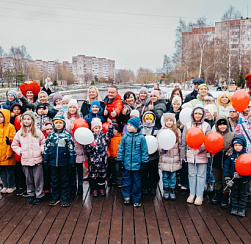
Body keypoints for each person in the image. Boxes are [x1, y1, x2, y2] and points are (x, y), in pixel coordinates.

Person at [11, 111, 46, 204]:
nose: (26, 121)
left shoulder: (38, 132)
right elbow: (14, 145)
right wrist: (20, 151)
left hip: (37, 159)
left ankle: (39, 195)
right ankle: (31, 194)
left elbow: (43, 142)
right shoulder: (19, 133)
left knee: (38, 178)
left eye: (28, 119)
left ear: (32, 120)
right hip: (25, 159)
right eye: (24, 119)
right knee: (28, 178)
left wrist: (41, 150)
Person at [180, 105, 211, 205]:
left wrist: (200, 148)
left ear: (203, 115)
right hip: (190, 154)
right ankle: (192, 193)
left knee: (201, 175)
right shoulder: (188, 125)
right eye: (196, 113)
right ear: (192, 114)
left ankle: (199, 195)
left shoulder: (206, 126)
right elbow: (184, 141)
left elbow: (208, 140)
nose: (197, 115)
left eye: (200, 114)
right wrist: (182, 155)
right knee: (191, 174)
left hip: (202, 154)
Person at [43, 114, 76, 207]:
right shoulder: (51, 136)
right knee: (54, 179)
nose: (58, 125)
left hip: (64, 162)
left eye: (60, 123)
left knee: (64, 179)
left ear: (63, 124)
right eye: (56, 123)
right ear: (53, 124)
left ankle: (64, 197)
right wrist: (45, 159)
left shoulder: (67, 136)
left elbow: (71, 148)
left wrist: (72, 160)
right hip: (53, 162)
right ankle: (55, 197)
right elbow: (46, 147)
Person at [117, 117, 149, 207]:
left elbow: (144, 151)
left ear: (136, 127)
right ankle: (126, 197)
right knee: (126, 181)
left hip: (137, 166)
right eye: (128, 125)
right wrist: (120, 161)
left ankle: (136, 199)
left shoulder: (141, 138)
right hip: (126, 165)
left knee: (137, 183)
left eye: (131, 125)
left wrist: (144, 163)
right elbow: (121, 150)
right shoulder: (125, 137)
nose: (128, 127)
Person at [84, 118, 114, 197]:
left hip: (103, 161)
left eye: (98, 128)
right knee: (93, 175)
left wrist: (111, 126)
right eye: (95, 128)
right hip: (93, 161)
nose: (97, 129)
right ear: (92, 129)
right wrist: (91, 146)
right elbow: (86, 149)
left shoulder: (104, 136)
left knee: (102, 175)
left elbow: (111, 134)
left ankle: (102, 188)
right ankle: (94, 189)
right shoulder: (89, 137)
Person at [223, 135, 251, 216]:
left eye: (240, 145)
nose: (238, 147)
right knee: (234, 193)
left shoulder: (247, 156)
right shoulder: (231, 156)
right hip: (234, 180)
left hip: (244, 180)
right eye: (236, 145)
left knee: (243, 194)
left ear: (243, 146)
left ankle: (242, 208)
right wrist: (228, 179)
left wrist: (245, 176)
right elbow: (226, 167)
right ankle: (234, 206)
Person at [64, 99, 87, 196]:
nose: (72, 109)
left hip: (79, 145)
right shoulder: (65, 117)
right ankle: (73, 185)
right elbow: (65, 129)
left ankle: (80, 185)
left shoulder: (80, 117)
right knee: (72, 167)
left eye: (74, 107)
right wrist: (71, 127)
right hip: (70, 144)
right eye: (70, 107)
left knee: (79, 167)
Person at [211, 116, 234, 209]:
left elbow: (234, 145)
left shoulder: (232, 135)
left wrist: (231, 150)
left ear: (227, 125)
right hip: (216, 159)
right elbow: (210, 144)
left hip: (226, 161)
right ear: (217, 126)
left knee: (225, 180)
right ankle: (218, 194)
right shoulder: (214, 134)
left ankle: (225, 196)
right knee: (217, 179)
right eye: (220, 125)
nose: (222, 126)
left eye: (224, 124)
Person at [158, 113, 181, 200]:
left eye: (171, 120)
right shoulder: (161, 131)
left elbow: (180, 144)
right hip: (165, 158)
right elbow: (157, 143)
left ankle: (172, 189)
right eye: (167, 121)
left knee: (173, 176)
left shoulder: (177, 131)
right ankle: (166, 189)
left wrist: (181, 157)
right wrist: (161, 149)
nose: (169, 122)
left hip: (174, 158)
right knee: (165, 176)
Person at [141, 111, 159, 195]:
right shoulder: (141, 130)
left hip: (154, 155)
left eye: (150, 119)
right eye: (147, 119)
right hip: (143, 156)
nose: (148, 120)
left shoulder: (156, 130)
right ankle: (144, 186)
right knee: (143, 172)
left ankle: (153, 187)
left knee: (153, 172)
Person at [0, 109, 16, 194]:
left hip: (7, 154)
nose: (0, 118)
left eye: (1, 117)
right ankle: (5, 185)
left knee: (9, 171)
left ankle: (11, 186)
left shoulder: (10, 127)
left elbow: (12, 141)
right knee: (2, 171)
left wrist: (9, 153)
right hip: (0, 154)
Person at [107, 123, 123, 187]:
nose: (114, 131)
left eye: (115, 130)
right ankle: (112, 181)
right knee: (111, 169)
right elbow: (107, 147)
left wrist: (118, 156)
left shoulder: (120, 138)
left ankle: (119, 182)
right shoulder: (109, 138)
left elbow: (121, 148)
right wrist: (109, 155)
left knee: (118, 170)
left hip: (117, 157)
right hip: (111, 157)